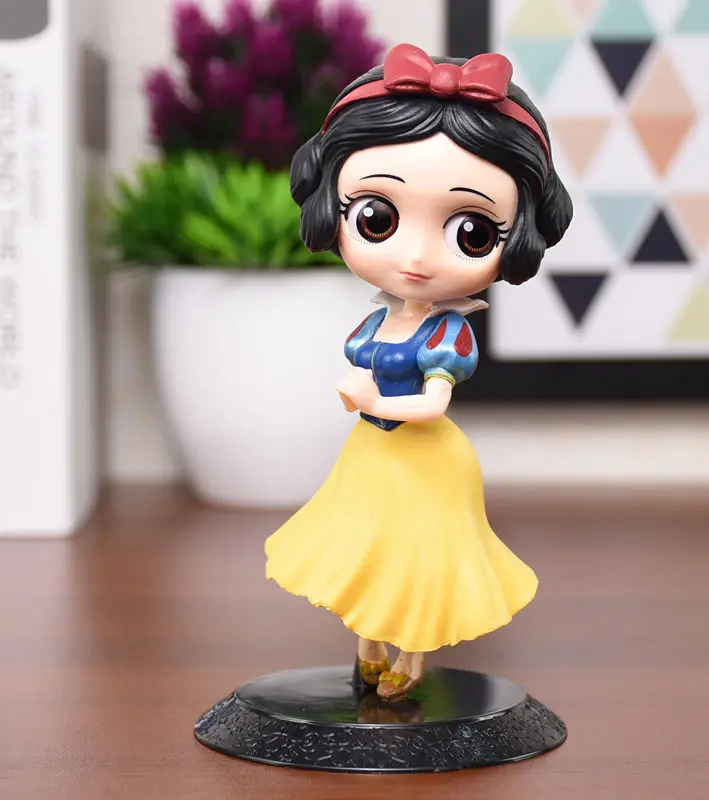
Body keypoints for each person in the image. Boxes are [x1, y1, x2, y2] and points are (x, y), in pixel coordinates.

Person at [264, 42, 573, 701]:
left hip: (427, 461)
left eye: (470, 232)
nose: (416, 258)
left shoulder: (446, 331)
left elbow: (433, 405)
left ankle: (410, 660)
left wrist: (370, 398)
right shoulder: (380, 320)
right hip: (371, 456)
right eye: (378, 218)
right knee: (363, 551)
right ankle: (368, 646)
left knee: (416, 562)